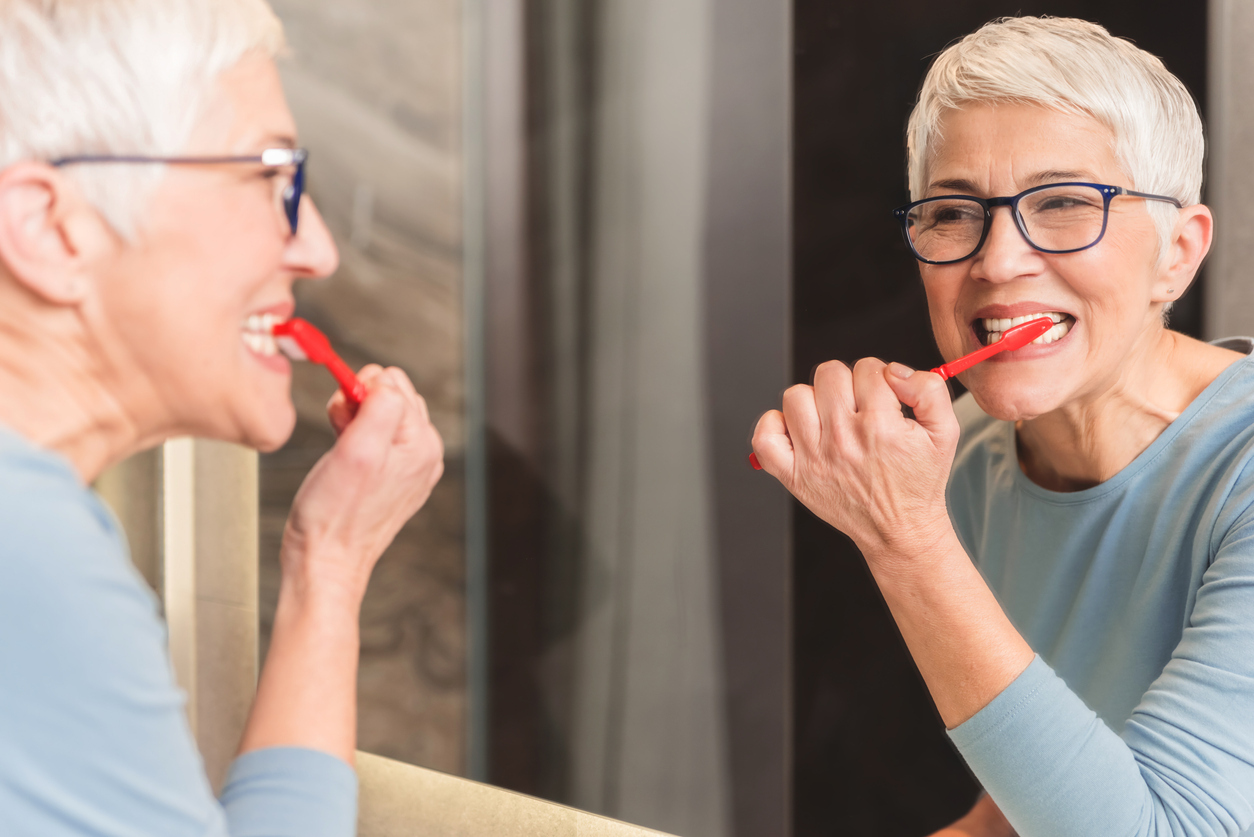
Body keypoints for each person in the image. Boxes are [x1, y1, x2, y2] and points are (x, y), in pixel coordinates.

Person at [754, 16, 1254, 837]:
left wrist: (905, 540)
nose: (995, 261)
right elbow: (1027, 811)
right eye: (954, 213)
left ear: (1178, 252)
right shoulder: (967, 462)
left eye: (1063, 203)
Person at [0, 1, 444, 835]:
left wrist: (329, 562)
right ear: (51, 228)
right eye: (271, 177)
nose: (318, 249)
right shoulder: (30, 557)